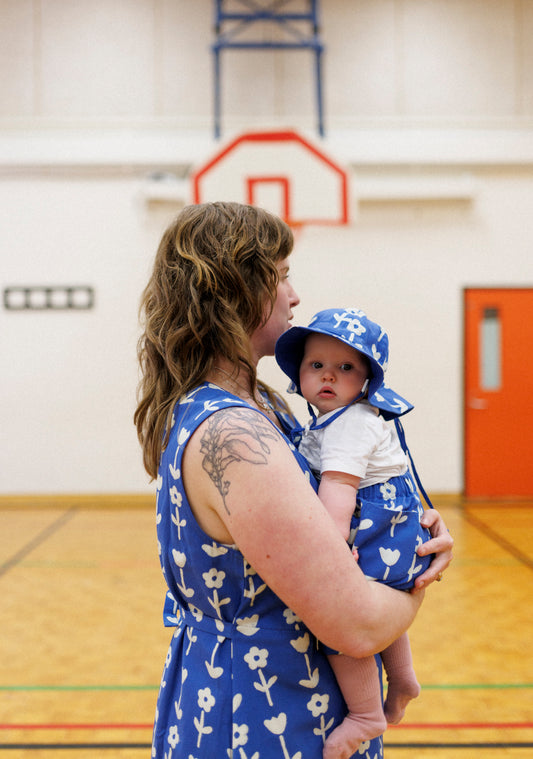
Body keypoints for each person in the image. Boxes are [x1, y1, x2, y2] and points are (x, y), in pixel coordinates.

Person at [134, 202, 453, 759]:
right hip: (263, 711)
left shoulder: (261, 405)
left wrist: (397, 526)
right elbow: (355, 625)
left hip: (285, 695)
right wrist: (411, 576)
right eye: (281, 277)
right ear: (237, 290)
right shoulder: (233, 435)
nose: (294, 296)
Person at [275, 307, 440, 758]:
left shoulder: (350, 424)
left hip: (376, 531)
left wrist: (328, 550)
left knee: (340, 618)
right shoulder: (338, 419)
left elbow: (339, 491)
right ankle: (402, 677)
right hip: (394, 533)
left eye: (345, 367)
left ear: (367, 381)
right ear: (300, 374)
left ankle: (367, 713)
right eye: (317, 366)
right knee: (379, 606)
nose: (329, 375)